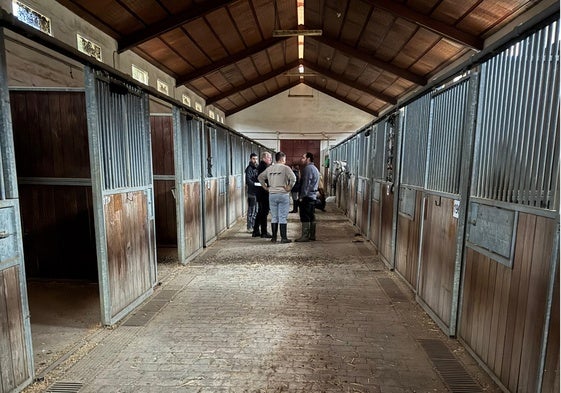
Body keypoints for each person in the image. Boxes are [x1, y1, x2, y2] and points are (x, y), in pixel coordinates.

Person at [258, 152, 296, 243]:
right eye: (285, 159)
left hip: (272, 194)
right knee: (282, 217)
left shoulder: (269, 168)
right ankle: (283, 238)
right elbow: (294, 178)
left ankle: (274, 238)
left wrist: (265, 187)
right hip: (283, 194)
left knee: (274, 216)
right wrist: (290, 187)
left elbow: (260, 177)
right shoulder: (286, 168)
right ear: (283, 159)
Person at [295, 152, 320, 242]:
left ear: (308, 159)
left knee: (305, 216)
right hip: (312, 196)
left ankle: (305, 236)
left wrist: (302, 196)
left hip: (307, 197)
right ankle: (312, 235)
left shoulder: (307, 169)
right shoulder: (315, 168)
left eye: (303, 157)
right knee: (311, 216)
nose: (302, 159)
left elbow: (306, 184)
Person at [252, 152, 273, 238]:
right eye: (269, 158)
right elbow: (265, 179)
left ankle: (256, 230)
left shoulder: (261, 166)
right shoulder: (264, 167)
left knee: (260, 212)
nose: (271, 160)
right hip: (263, 192)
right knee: (264, 212)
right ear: (264, 158)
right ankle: (263, 232)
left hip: (260, 192)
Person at [244, 153, 259, 232]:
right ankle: (249, 227)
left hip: (256, 192)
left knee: (256, 210)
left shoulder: (257, 168)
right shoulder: (249, 169)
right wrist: (255, 184)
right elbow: (248, 180)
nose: (255, 160)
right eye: (253, 159)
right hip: (251, 193)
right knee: (251, 209)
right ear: (250, 159)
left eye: (256, 159)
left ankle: (254, 226)